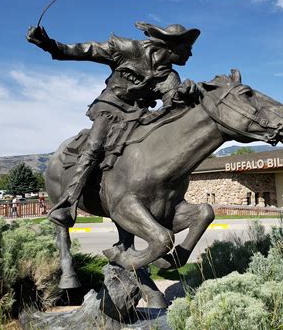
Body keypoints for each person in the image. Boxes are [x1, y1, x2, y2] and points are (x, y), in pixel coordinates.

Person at [26, 21, 201, 227]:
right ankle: (66, 203)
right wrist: (48, 44)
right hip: (110, 107)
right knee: (94, 146)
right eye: (187, 48)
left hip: (138, 117)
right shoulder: (128, 49)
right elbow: (85, 51)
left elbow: (174, 105)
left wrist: (187, 94)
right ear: (172, 45)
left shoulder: (169, 77)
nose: (190, 54)